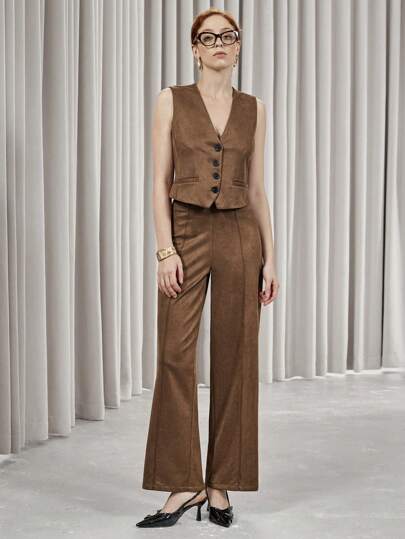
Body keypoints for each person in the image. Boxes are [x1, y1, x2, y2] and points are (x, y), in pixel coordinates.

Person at [136, 7, 279, 529]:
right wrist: (164, 250)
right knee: (175, 354)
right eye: (209, 36)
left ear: (237, 47)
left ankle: (221, 483)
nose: (220, 42)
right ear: (195, 48)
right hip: (187, 232)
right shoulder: (171, 100)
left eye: (228, 36)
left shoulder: (255, 108)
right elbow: (159, 180)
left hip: (241, 233)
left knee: (237, 357)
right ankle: (183, 483)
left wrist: (271, 257)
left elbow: (257, 189)